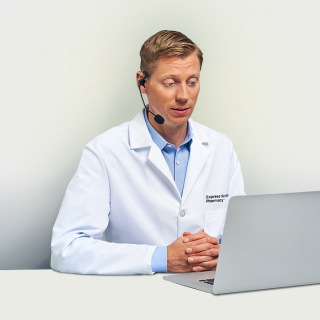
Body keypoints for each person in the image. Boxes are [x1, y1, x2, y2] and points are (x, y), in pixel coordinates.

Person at [51, 30, 245, 275]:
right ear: (142, 82)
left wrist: (221, 252)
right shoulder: (105, 152)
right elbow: (67, 249)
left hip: (209, 291)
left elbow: (240, 239)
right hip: (139, 295)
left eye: (192, 81)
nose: (184, 96)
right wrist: (160, 257)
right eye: (170, 83)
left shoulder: (221, 148)